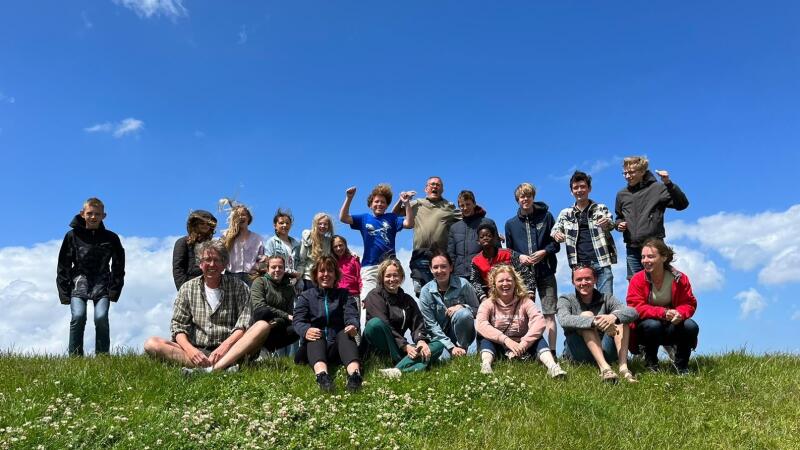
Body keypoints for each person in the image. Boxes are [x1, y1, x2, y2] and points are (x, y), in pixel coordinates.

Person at [144, 240, 270, 373]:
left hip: (231, 348)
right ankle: (218, 367)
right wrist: (191, 350)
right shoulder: (187, 288)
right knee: (152, 343)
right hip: (197, 350)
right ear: (200, 263)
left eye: (217, 260)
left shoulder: (240, 287)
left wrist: (225, 346)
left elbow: (244, 324)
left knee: (262, 326)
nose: (212, 264)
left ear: (224, 265)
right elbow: (178, 327)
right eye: (207, 259)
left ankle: (213, 369)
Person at [57, 197, 125, 356]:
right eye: (90, 213)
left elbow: (118, 265)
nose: (93, 217)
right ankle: (75, 357)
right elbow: (63, 265)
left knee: (101, 318)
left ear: (104, 216)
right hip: (78, 283)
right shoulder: (71, 236)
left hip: (103, 284)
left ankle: (102, 357)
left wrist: (115, 290)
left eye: (97, 214)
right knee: (78, 316)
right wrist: (64, 292)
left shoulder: (111, 238)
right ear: (82, 214)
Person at [475, 265, 567, 378]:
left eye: (509, 280)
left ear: (515, 283)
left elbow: (539, 321)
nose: (505, 284)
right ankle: (486, 365)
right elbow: (480, 324)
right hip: (499, 344)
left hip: (523, 344)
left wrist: (524, 343)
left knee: (538, 338)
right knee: (485, 338)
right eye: (501, 281)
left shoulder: (525, 301)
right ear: (494, 284)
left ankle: (552, 366)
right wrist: (506, 341)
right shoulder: (488, 303)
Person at [626, 239, 699, 374]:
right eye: (643, 257)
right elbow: (635, 306)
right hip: (646, 329)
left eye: (651, 256)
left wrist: (680, 314)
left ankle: (681, 367)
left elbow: (689, 303)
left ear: (664, 257)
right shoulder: (637, 279)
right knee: (653, 325)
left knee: (691, 326)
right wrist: (663, 312)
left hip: (671, 325)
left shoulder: (680, 278)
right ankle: (651, 364)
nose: (645, 260)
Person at [504, 182, 560, 357]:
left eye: (528, 195)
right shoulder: (510, 224)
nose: (525, 199)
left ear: (533, 197)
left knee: (549, 313)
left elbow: (556, 243)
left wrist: (544, 252)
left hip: (546, 270)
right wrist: (519, 256)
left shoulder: (547, 217)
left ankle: (552, 352)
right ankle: (530, 350)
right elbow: (509, 251)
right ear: (517, 200)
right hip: (523, 275)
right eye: (522, 196)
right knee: (526, 314)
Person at [363, 259, 445, 377]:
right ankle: (414, 365)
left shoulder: (407, 300)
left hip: (401, 348)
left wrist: (421, 341)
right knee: (375, 324)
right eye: (388, 276)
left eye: (395, 275)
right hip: (380, 348)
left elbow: (418, 324)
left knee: (439, 344)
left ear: (401, 277)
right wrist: (405, 346)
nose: (392, 279)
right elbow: (385, 324)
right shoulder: (374, 296)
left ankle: (398, 371)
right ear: (381, 278)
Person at [293, 255, 363, 392]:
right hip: (312, 349)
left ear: (336, 275)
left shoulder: (344, 295)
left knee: (345, 333)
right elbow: (298, 320)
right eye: (322, 271)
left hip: (336, 348)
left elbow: (351, 315)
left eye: (330, 271)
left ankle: (355, 376)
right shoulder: (306, 296)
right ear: (315, 274)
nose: (326, 274)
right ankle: (322, 377)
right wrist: (306, 330)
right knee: (315, 333)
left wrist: (353, 325)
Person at [557, 265, 638, 383]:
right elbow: (564, 319)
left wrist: (613, 317)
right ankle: (605, 369)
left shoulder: (607, 298)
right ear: (573, 282)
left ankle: (623, 368)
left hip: (606, 349)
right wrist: (595, 322)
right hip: (578, 352)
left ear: (595, 280)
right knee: (586, 316)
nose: (583, 283)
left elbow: (633, 312)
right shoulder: (566, 299)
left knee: (620, 319)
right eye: (579, 279)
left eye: (588, 278)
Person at [614, 156, 689, 280]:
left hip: (654, 247)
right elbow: (619, 217)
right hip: (632, 249)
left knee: (657, 284)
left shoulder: (658, 188)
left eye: (631, 172)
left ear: (642, 171)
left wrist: (668, 184)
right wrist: (619, 224)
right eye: (625, 173)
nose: (627, 176)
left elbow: (682, 205)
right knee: (636, 287)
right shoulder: (622, 194)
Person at [339, 184, 415, 300]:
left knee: (390, 300)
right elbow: (343, 218)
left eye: (383, 202)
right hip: (370, 266)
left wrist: (406, 203)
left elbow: (409, 224)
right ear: (370, 205)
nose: (379, 204)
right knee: (368, 299)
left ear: (386, 205)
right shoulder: (364, 218)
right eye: (376, 201)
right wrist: (349, 198)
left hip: (389, 266)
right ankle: (367, 319)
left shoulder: (392, 218)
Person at [552, 171, 617, 295]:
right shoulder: (566, 213)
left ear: (589, 188)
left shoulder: (600, 208)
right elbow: (555, 230)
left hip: (601, 260)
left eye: (583, 187)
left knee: (607, 299)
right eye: (576, 188)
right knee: (583, 303)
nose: (579, 190)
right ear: (571, 191)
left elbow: (611, 223)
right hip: (579, 264)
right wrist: (557, 235)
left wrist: (606, 224)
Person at [392, 176, 460, 296]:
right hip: (420, 255)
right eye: (432, 184)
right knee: (422, 292)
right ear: (426, 189)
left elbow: (467, 215)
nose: (435, 186)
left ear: (442, 189)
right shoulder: (417, 204)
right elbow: (394, 214)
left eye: (438, 185)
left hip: (440, 257)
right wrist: (402, 200)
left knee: (441, 293)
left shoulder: (449, 207)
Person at [418, 248, 480, 359]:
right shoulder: (425, 292)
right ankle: (453, 352)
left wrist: (462, 306)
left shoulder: (464, 284)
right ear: (430, 269)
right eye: (435, 267)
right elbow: (431, 324)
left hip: (462, 335)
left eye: (443, 266)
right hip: (439, 337)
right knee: (443, 360)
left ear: (451, 268)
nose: (439, 270)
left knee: (463, 313)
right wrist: (451, 347)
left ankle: (463, 349)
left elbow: (477, 310)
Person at [469, 223, 535, 302]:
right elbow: (475, 282)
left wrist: (529, 290)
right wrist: (483, 297)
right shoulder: (476, 261)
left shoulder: (507, 254)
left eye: (488, 235)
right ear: (478, 241)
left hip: (513, 293)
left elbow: (525, 272)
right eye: (482, 237)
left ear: (494, 238)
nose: (485, 238)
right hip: (491, 297)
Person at [249, 255, 300, 355]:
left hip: (278, 324)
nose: (277, 270)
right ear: (267, 269)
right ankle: (256, 348)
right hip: (258, 321)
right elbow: (259, 306)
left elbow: (289, 314)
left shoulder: (289, 288)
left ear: (284, 269)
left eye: (280, 267)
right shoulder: (259, 282)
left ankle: (268, 350)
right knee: (264, 311)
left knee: (297, 327)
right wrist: (285, 316)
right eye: (273, 267)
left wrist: (277, 321)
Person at [447, 190, 498, 280]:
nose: (465, 208)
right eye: (462, 205)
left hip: (483, 273)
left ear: (474, 204)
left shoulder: (488, 223)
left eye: (468, 204)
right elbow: (451, 254)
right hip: (460, 276)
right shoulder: (454, 228)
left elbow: (497, 249)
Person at [221, 202, 264, 286]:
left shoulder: (257, 238)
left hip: (251, 276)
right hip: (231, 275)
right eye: (237, 215)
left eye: (243, 214)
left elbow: (261, 257)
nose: (240, 217)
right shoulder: (226, 235)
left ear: (248, 218)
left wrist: (258, 269)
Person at [172, 210, 217, 291]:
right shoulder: (182, 242)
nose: (205, 226)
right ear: (194, 224)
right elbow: (178, 268)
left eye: (208, 224)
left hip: (211, 286)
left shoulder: (213, 245)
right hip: (190, 285)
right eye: (202, 223)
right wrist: (183, 289)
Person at [297, 213, 335, 292]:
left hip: (323, 279)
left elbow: (340, 247)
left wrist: (351, 252)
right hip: (308, 278)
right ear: (315, 224)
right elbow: (302, 260)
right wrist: (298, 278)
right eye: (320, 224)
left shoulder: (328, 241)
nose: (322, 226)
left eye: (325, 224)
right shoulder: (308, 237)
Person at [263, 208, 301, 284]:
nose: (285, 225)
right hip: (278, 281)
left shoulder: (296, 244)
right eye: (281, 223)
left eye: (287, 223)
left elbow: (300, 263)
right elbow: (268, 263)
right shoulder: (271, 242)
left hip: (295, 282)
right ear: (275, 225)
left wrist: (298, 276)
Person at [332, 235, 362, 303]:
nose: (338, 248)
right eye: (335, 247)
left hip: (353, 296)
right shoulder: (332, 263)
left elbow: (360, 278)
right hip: (337, 297)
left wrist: (363, 295)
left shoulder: (353, 259)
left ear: (345, 245)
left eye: (340, 245)